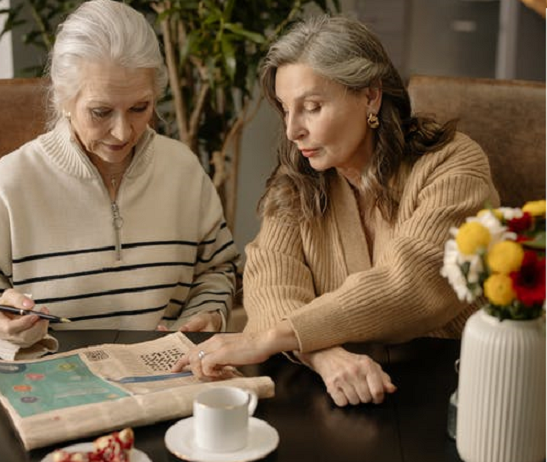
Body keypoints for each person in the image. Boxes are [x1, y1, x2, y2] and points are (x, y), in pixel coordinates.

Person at [173, 14, 500, 407]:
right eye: (284, 108)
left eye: (311, 107)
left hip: (458, 389)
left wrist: (266, 338)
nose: (293, 130)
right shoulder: (298, 179)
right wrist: (325, 356)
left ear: (370, 96)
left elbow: (412, 282)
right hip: (344, 393)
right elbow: (270, 281)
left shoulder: (453, 164)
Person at [0, 0, 239, 360]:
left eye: (140, 108)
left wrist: (206, 315)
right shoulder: (10, 182)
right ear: (63, 96)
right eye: (101, 111)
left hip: (167, 376)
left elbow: (217, 268)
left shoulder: (183, 170)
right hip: (53, 385)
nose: (122, 131)